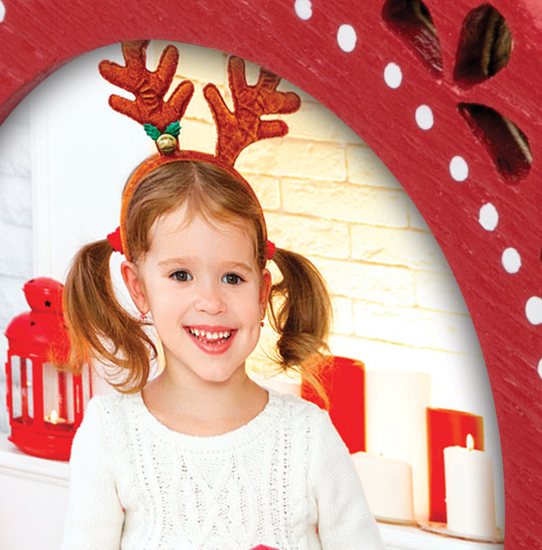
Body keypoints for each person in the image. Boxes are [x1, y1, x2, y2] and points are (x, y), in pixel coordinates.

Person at [58, 150, 383, 550]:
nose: (211, 302)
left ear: (261, 293)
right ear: (139, 288)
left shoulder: (308, 437)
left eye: (232, 278)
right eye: (181, 275)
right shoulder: (110, 434)